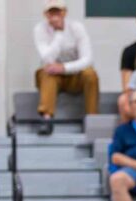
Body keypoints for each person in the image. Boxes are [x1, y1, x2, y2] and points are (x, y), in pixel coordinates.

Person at [33, 0, 99, 136]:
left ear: (64, 13)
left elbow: (87, 59)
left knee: (91, 74)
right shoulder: (39, 29)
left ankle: (92, 119)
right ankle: (47, 119)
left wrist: (64, 68)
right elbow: (47, 59)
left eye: (57, 12)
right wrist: (58, 34)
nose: (54, 16)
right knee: (46, 72)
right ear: (45, 14)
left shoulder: (77, 28)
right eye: (51, 12)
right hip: (52, 77)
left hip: (74, 75)